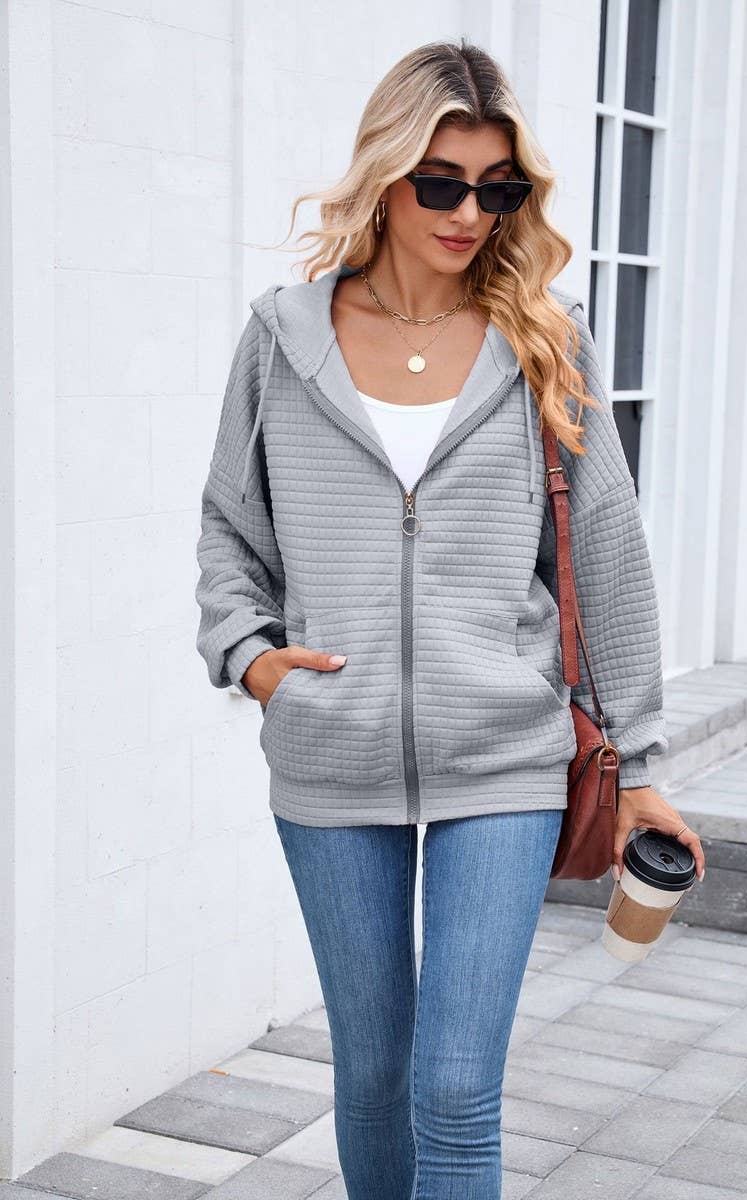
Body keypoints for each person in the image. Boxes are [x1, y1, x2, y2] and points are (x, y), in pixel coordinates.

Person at [194, 37, 705, 1200]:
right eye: (440, 184)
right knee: (373, 1074)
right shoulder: (282, 338)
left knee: (457, 1087)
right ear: (385, 177)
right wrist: (255, 660)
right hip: (329, 751)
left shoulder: (544, 339)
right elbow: (228, 531)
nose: (469, 213)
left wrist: (638, 762)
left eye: (496, 189)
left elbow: (605, 554)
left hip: (505, 756)